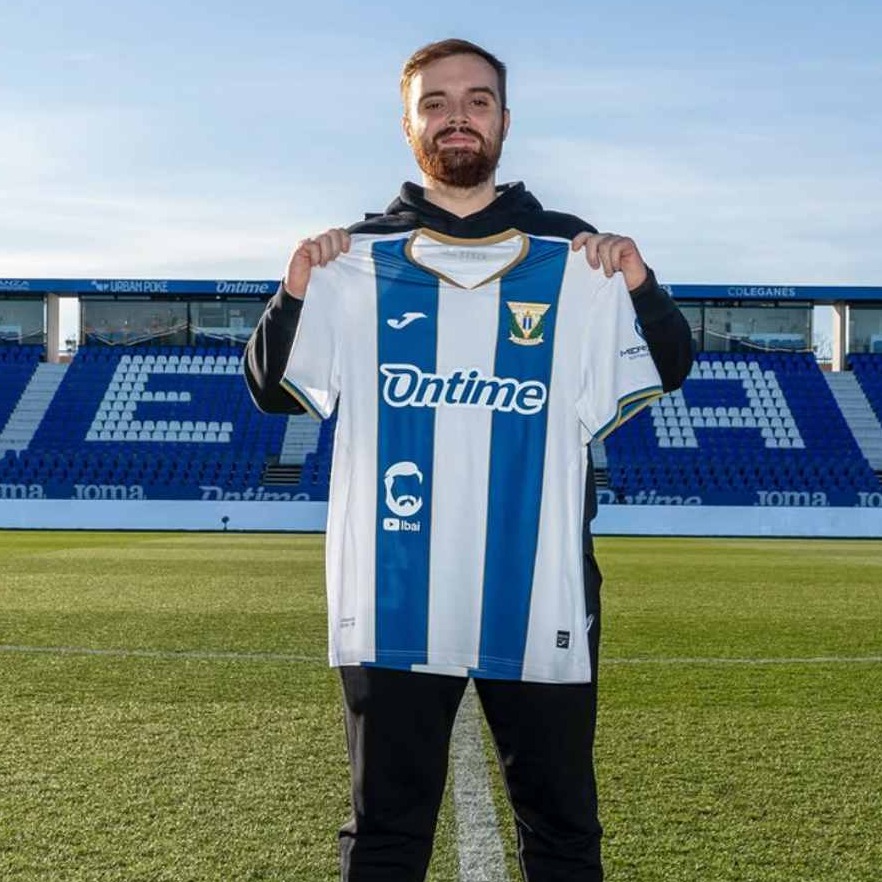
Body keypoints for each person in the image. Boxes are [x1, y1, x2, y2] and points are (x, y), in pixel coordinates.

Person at [245, 37, 693, 882]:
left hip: (541, 588)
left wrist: (636, 282)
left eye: (477, 100)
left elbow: (667, 366)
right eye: (437, 102)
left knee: (562, 824)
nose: (458, 116)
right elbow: (272, 389)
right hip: (392, 590)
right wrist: (298, 286)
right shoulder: (356, 259)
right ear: (409, 123)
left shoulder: (575, 255)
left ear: (504, 120)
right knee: (384, 829)